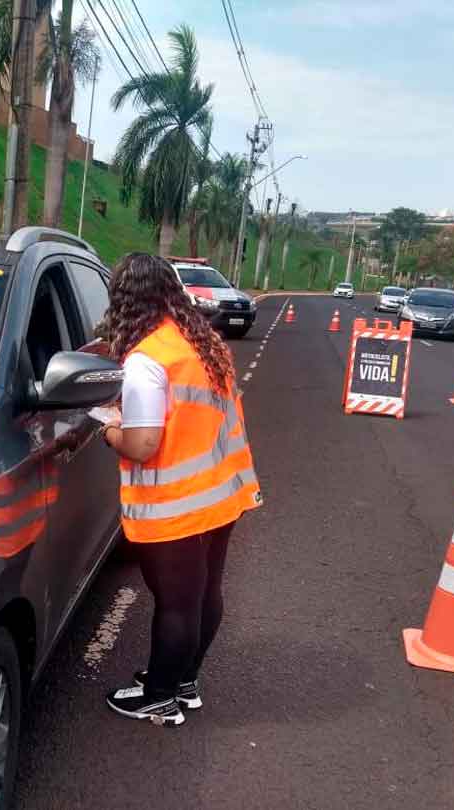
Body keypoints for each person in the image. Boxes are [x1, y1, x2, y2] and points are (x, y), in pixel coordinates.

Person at [98, 253, 262, 727]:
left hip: (176, 505)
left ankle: (159, 696)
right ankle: (184, 681)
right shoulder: (202, 341)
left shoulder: (148, 359)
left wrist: (110, 430)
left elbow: (143, 444)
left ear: (125, 300)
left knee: (176, 604)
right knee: (204, 593)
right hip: (220, 493)